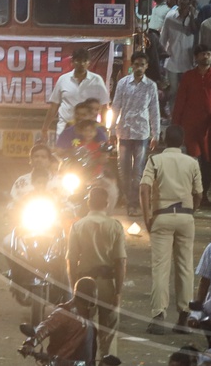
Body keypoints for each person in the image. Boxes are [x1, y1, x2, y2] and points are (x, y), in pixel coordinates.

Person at [141, 125, 204, 333]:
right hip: (186, 217)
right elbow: (199, 194)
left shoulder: (155, 160)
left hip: (162, 216)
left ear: (164, 140)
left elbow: (144, 187)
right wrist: (190, 210)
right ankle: (184, 316)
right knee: (185, 266)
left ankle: (159, 316)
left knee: (161, 267)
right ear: (182, 141)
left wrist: (147, 216)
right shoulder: (192, 162)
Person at [67, 183, 126, 355]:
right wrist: (118, 292)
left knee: (83, 330)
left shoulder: (77, 226)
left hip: (84, 285)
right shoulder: (115, 226)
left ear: (88, 203)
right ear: (107, 204)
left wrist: (74, 289)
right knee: (108, 334)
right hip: (108, 284)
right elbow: (120, 262)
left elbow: (71, 261)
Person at [173, 47, 211, 203]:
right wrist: (175, 125)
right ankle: (190, 192)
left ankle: (203, 192)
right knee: (191, 160)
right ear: (196, 57)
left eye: (208, 54)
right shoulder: (188, 77)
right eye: (203, 54)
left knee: (208, 161)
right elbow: (180, 101)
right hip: (190, 126)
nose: (206, 57)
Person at [110, 52, 161, 216]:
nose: (139, 68)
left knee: (137, 171)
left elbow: (154, 110)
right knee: (124, 171)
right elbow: (116, 106)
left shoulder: (150, 86)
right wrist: (111, 129)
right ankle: (128, 197)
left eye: (142, 65)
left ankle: (133, 203)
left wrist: (156, 134)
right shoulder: (123, 83)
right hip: (124, 132)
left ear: (147, 67)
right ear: (132, 65)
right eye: (136, 64)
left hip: (142, 133)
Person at [50, 49, 112, 139]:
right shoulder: (63, 80)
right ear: (72, 62)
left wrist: (103, 127)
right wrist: (45, 128)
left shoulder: (97, 80)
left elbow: (104, 106)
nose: (81, 63)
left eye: (84, 61)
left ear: (89, 63)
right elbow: (54, 106)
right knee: (63, 153)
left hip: (89, 132)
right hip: (65, 129)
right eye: (78, 60)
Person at [38, 278, 99, 366]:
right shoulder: (65, 312)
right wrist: (31, 342)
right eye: (94, 295)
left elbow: (90, 357)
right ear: (92, 296)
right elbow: (45, 327)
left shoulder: (90, 325)